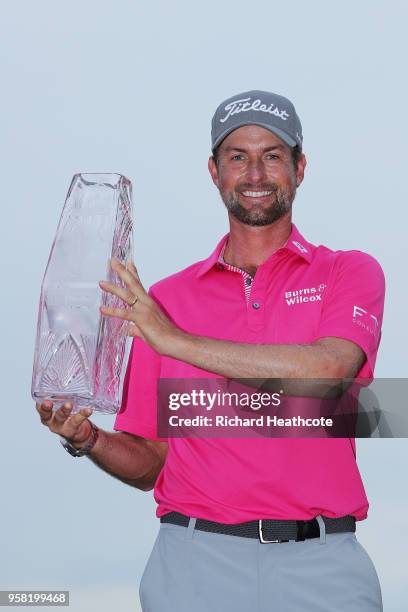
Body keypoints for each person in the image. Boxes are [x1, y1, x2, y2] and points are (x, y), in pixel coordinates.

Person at [36, 90, 385, 611]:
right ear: (214, 170)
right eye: (237, 157)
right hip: (194, 563)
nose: (255, 174)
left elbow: (329, 371)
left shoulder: (348, 272)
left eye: (272, 155)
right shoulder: (167, 301)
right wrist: (88, 439)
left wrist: (174, 339)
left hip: (323, 561)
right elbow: (154, 463)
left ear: (301, 167)